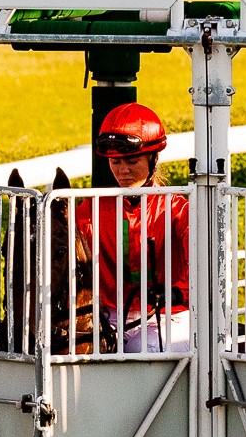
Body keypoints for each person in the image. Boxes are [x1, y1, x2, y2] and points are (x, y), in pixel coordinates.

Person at [79, 102, 190, 354]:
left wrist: (177, 292)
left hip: (173, 317)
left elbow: (202, 269)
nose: (123, 171)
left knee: (141, 348)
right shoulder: (90, 209)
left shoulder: (178, 209)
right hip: (110, 315)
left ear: (154, 157)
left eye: (132, 160)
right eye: (115, 162)